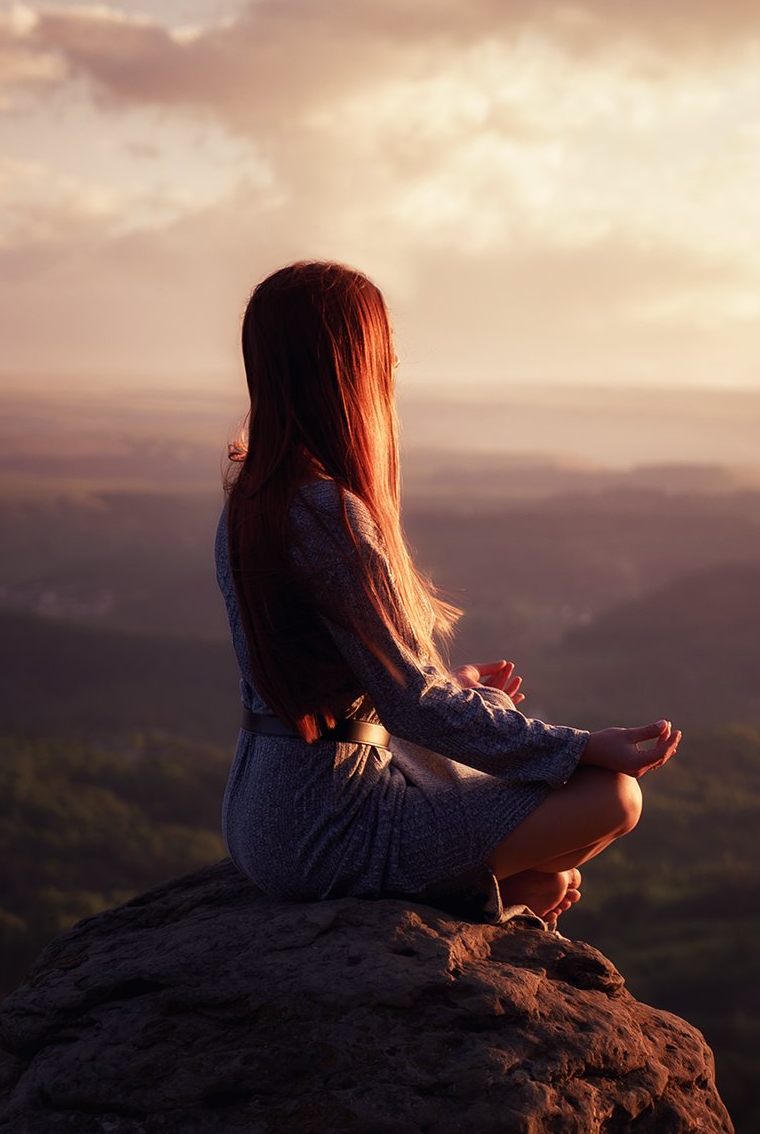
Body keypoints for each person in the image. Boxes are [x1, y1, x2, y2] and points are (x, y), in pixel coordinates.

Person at [215, 260, 681, 929]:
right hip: (324, 824)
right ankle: (496, 895)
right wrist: (577, 747)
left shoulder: (253, 496)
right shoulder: (327, 513)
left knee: (488, 720)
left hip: (263, 805)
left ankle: (514, 886)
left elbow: (331, 679)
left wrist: (454, 682)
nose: (394, 370)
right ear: (352, 371)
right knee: (615, 797)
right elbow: (417, 706)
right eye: (386, 357)